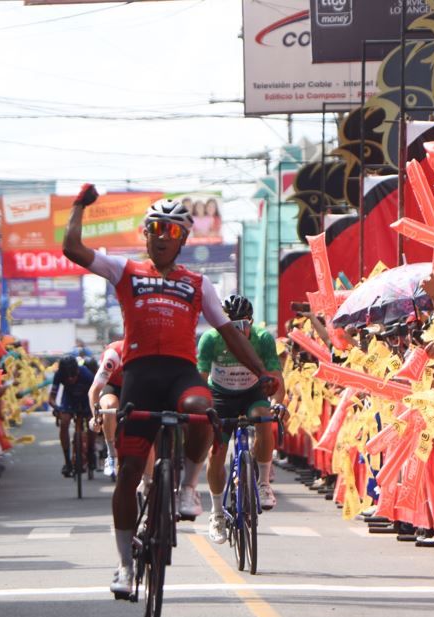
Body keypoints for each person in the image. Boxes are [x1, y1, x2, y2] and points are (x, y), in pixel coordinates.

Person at [62, 184, 278, 596]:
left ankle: (186, 489)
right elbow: (73, 248)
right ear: (145, 234)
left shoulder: (198, 283)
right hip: (140, 376)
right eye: (156, 228)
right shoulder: (124, 270)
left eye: (172, 231)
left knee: (201, 409)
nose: (163, 236)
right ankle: (125, 566)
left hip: (180, 374)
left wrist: (260, 371)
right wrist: (78, 205)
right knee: (128, 473)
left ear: (183, 240)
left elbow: (230, 334)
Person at [198, 295, 284, 544]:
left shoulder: (263, 339)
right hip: (220, 396)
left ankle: (264, 481)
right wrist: (201, 407)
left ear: (252, 322)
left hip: (252, 393)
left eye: (243, 323)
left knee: (264, 418)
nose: (238, 329)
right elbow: (201, 377)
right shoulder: (211, 339)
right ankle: (216, 513)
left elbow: (276, 378)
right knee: (216, 451)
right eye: (231, 323)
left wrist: (278, 402)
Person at [48, 355, 96, 477]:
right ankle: (67, 461)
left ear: (77, 371)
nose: (70, 379)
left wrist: (95, 411)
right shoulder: (58, 374)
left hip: (86, 399)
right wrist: (57, 409)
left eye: (73, 375)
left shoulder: (87, 375)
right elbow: (51, 399)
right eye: (66, 377)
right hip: (69, 399)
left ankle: (91, 452)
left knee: (92, 423)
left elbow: (96, 395)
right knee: (64, 422)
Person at [89, 338, 124, 480]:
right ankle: (111, 453)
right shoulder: (114, 354)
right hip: (113, 385)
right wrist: (96, 417)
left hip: (136, 386)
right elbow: (94, 390)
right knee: (109, 406)